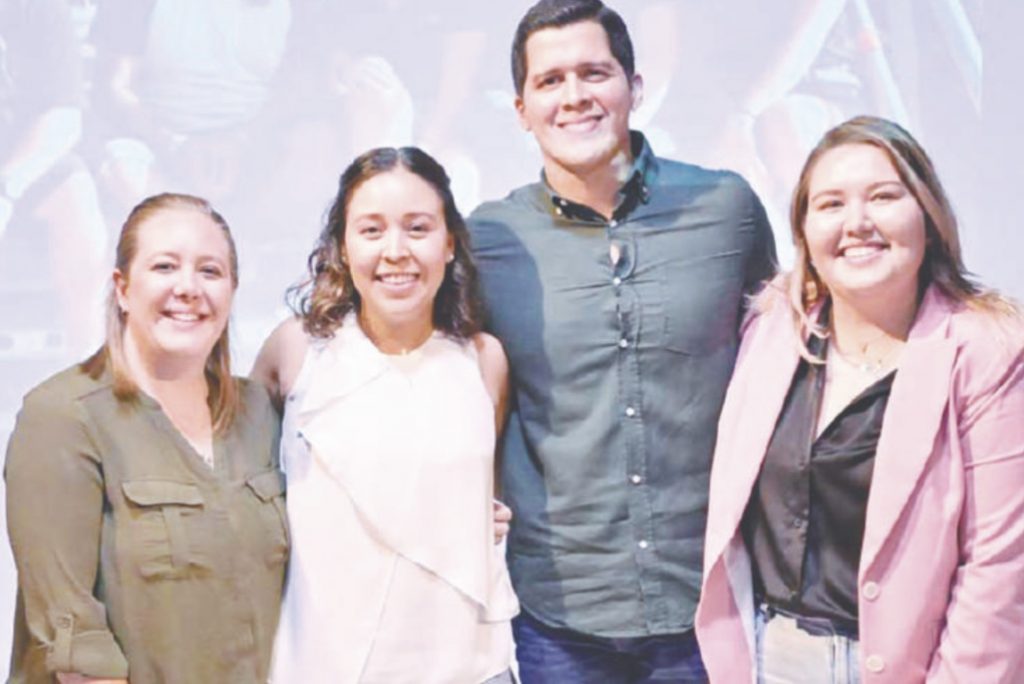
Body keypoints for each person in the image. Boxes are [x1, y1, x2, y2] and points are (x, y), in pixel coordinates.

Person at [467, 1, 777, 681]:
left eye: (594, 73)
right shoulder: (487, 239)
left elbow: (781, 363)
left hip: (706, 606)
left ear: (634, 87)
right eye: (550, 81)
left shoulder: (726, 209)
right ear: (521, 109)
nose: (573, 95)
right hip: (554, 618)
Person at [695, 116, 1024, 682]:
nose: (857, 223)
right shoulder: (774, 330)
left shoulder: (987, 352)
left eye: (883, 197)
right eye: (830, 204)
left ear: (928, 217)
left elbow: (999, 568)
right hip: (772, 657)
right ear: (804, 233)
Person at [253, 147, 519, 684]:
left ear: (449, 243)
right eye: (371, 230)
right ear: (343, 246)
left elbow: (486, 498)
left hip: (466, 661)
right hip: (323, 663)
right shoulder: (296, 350)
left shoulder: (482, 359)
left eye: (417, 228)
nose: (395, 252)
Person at [4, 193, 287, 683]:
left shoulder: (260, 413)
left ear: (232, 291)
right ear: (122, 288)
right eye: (164, 266)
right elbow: (75, 644)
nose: (188, 288)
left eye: (210, 271)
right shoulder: (62, 417)